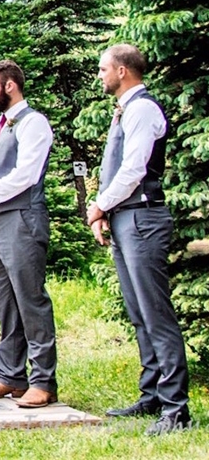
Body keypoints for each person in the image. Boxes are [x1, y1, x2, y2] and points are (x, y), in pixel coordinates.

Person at [87, 45, 190, 435]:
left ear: (123, 71)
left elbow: (134, 168)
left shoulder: (143, 109)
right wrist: (106, 214)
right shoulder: (125, 111)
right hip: (125, 217)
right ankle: (152, 396)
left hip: (144, 218)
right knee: (137, 312)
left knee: (155, 313)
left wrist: (99, 206)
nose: (100, 75)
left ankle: (176, 408)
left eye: (103, 69)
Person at [0, 60, 57, 409]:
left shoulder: (34, 123)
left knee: (30, 300)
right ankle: (11, 375)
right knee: (4, 303)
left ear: (10, 87)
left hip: (22, 219)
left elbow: (26, 173)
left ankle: (43, 381)